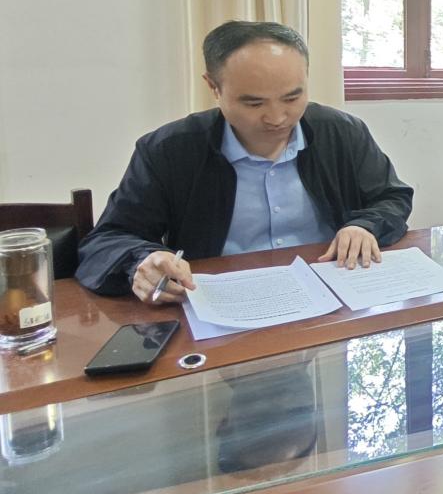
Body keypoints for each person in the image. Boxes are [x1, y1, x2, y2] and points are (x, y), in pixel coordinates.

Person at [76, 21, 414, 303]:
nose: (277, 117)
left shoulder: (341, 132)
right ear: (213, 87)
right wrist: (143, 261)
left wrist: (363, 226)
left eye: (292, 97)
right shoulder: (170, 150)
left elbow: (391, 197)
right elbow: (107, 240)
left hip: (332, 291)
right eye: (254, 103)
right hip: (221, 301)